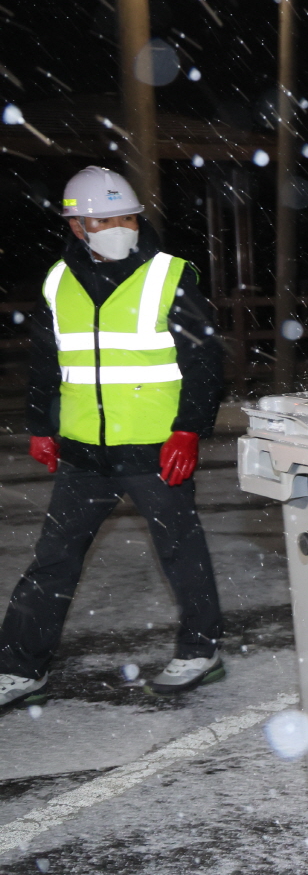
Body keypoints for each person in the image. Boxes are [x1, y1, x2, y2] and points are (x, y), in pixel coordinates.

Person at [0, 166, 226, 709]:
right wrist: (41, 425)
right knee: (53, 559)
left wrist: (189, 429)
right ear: (77, 226)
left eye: (124, 216)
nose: (115, 227)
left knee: (181, 549)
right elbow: (45, 360)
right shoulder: (58, 280)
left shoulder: (170, 276)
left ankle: (202, 650)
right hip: (83, 452)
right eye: (101, 219)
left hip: (154, 448)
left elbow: (204, 361)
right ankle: (19, 667)